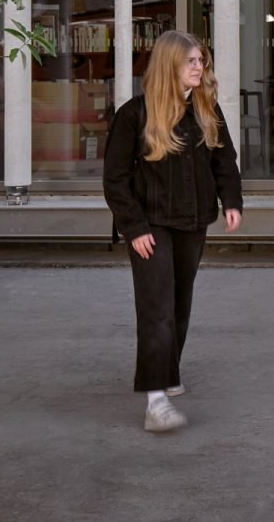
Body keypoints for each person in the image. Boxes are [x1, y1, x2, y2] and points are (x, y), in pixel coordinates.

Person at [102, 31, 243, 434]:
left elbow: (225, 162)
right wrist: (133, 227)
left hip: (192, 222)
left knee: (179, 303)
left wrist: (230, 201)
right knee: (156, 308)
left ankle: (169, 370)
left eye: (202, 60)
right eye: (192, 61)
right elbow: (115, 179)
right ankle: (156, 400)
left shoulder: (205, 109)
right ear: (170, 66)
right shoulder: (134, 115)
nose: (200, 67)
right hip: (149, 227)